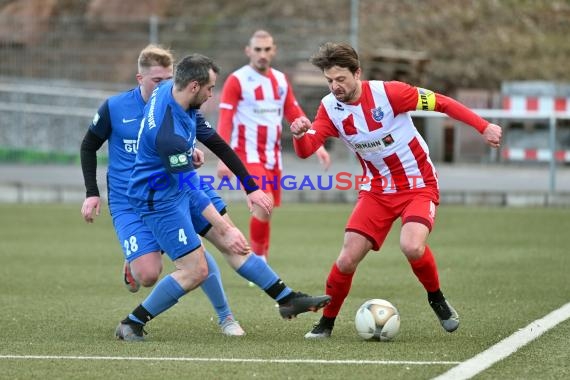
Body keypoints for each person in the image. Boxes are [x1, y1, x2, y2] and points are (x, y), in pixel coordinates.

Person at [289, 42, 502, 339]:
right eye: (329, 81)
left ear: (357, 73)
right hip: (376, 190)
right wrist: (299, 135)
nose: (335, 86)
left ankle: (437, 299)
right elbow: (307, 149)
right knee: (347, 259)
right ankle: (326, 323)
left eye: (341, 79)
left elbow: (442, 102)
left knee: (412, 246)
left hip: (418, 184)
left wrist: (483, 127)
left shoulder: (390, 94)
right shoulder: (329, 108)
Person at [112, 53, 330, 341]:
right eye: (210, 88)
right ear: (193, 86)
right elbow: (191, 189)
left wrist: (251, 187)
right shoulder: (168, 134)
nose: (212, 93)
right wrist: (225, 228)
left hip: (178, 182)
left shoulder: (173, 92)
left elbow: (217, 143)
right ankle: (132, 323)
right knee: (195, 270)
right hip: (157, 198)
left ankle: (286, 299)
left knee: (234, 243)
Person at [80, 44, 250, 337]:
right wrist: (91, 192)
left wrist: (192, 152)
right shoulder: (115, 107)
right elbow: (88, 146)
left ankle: (227, 317)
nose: (165, 85)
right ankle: (137, 258)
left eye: (169, 78)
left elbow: (203, 141)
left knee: (197, 257)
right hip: (127, 200)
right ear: (140, 79)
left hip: (169, 193)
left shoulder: (176, 102)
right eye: (157, 80)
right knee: (146, 275)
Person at [216, 30, 331, 262]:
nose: (262, 54)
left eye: (267, 49)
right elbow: (225, 119)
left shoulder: (280, 79)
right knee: (263, 203)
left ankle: (260, 259)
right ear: (248, 51)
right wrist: (222, 157)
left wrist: (315, 143)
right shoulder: (237, 80)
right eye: (257, 49)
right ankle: (259, 262)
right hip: (246, 154)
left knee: (267, 211)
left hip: (272, 157)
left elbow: (293, 113)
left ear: (273, 50)